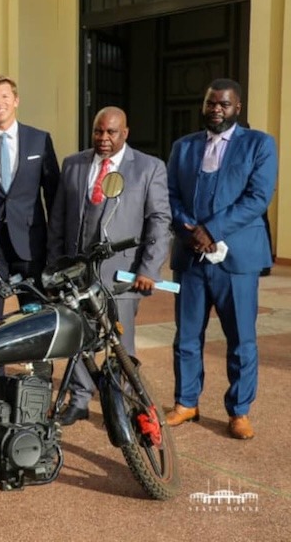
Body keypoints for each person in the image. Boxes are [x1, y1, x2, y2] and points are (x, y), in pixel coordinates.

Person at [165, 79, 277, 440]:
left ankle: (239, 411)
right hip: (192, 259)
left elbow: (258, 198)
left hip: (236, 259)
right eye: (211, 102)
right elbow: (170, 197)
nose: (216, 108)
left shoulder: (259, 144)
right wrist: (189, 231)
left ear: (237, 108)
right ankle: (186, 402)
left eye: (224, 104)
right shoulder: (183, 148)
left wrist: (211, 229)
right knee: (186, 336)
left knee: (242, 338)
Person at [47, 107, 171, 425]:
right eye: (98, 131)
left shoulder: (148, 168)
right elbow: (59, 218)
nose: (103, 138)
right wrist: (56, 265)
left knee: (121, 343)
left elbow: (159, 220)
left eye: (111, 132)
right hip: (77, 275)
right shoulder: (73, 164)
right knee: (77, 339)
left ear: (125, 133)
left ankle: (125, 404)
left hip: (121, 276)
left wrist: (149, 269)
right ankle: (79, 398)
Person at [0, 75, 59, 325]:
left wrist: (55, 245)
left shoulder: (39, 140)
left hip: (30, 243)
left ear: (16, 100)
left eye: (5, 96)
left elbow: (53, 196)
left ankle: (38, 365)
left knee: (35, 316)